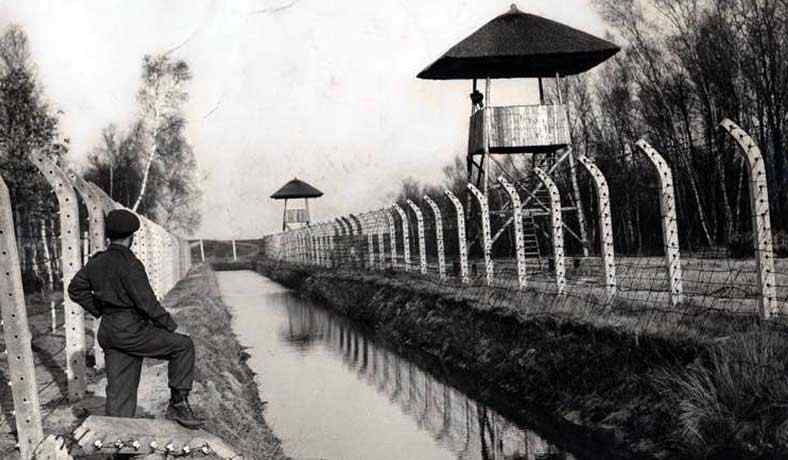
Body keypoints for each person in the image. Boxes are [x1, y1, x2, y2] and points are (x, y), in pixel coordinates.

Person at [67, 209, 204, 428]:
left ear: (108, 236)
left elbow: (75, 289)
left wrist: (100, 310)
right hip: (132, 330)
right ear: (131, 237)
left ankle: (119, 445)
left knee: (120, 393)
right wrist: (172, 326)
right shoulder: (131, 264)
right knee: (183, 346)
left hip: (109, 331)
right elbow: (147, 303)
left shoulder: (96, 262)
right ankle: (178, 405)